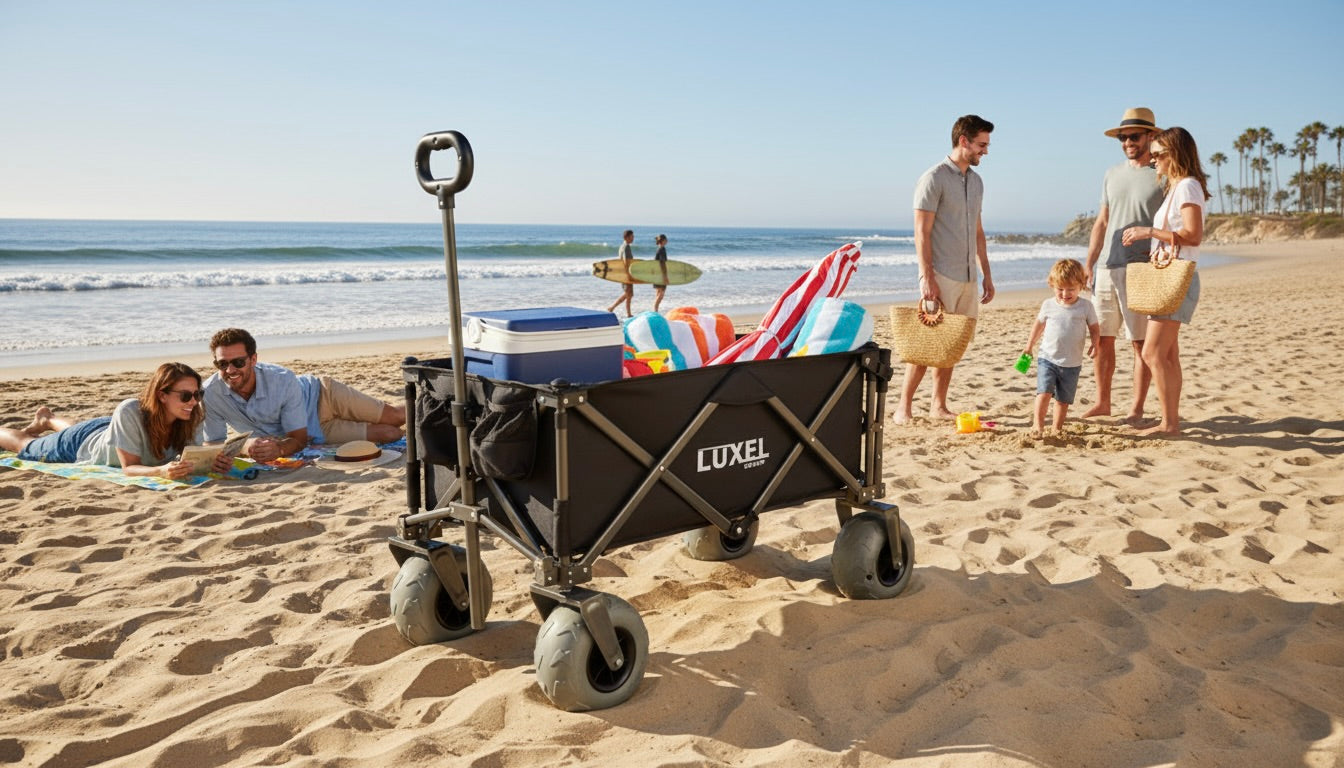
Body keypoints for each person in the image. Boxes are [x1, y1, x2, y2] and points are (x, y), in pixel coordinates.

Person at [894, 114, 996, 423]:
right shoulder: (933, 178)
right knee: (926, 345)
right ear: (963, 141)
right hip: (940, 275)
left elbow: (978, 232)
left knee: (951, 345)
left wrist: (986, 274)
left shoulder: (977, 182)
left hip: (967, 276)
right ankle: (904, 407)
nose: (985, 151)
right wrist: (926, 278)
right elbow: (921, 232)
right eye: (981, 145)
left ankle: (938, 405)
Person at [1121, 127, 1209, 437]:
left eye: (1159, 155)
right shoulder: (1178, 188)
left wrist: (1149, 232)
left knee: (1152, 354)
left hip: (1177, 279)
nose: (1153, 160)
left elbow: (1193, 235)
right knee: (1168, 355)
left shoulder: (1186, 187)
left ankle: (1169, 424)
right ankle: (1170, 421)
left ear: (1177, 156)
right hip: (1172, 277)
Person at [202, 328, 405, 461]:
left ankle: (435, 405)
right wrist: (246, 446)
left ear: (253, 359)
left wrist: (280, 450)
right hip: (316, 430)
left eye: (238, 362)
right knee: (391, 434)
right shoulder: (210, 393)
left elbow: (296, 438)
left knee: (394, 417)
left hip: (324, 396)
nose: (230, 370)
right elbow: (212, 444)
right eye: (222, 364)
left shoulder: (282, 378)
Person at [0, 362, 232, 479]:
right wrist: (160, 471)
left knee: (78, 430)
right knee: (24, 444)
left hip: (109, 432)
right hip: (81, 444)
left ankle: (48, 419)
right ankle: (37, 424)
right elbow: (129, 467)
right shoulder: (130, 410)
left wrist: (212, 463)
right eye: (185, 395)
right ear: (162, 395)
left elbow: (191, 455)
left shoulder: (192, 413)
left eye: (197, 394)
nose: (194, 401)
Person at [1083, 107, 1165, 425]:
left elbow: (1174, 220)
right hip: (1106, 266)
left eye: (1134, 136)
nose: (1127, 142)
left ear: (1151, 137)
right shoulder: (1111, 174)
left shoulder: (1163, 174)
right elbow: (1102, 222)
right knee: (1103, 339)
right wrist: (1088, 263)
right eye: (1123, 137)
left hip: (1142, 268)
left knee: (1139, 342)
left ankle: (1136, 408)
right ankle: (1103, 402)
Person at [1022, 259, 1100, 436]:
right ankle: (1038, 425)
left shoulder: (1086, 307)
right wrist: (1029, 347)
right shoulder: (1048, 305)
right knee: (1044, 393)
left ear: (1081, 285)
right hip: (1047, 359)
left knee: (1063, 400)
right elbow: (1038, 326)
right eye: (1060, 289)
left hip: (1072, 363)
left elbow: (1095, 328)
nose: (1065, 294)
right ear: (1052, 285)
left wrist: (1096, 344)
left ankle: (1057, 428)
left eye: (1071, 289)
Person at [605, 229, 636, 318]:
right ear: (626, 237)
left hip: (624, 273)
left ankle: (616, 309)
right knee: (628, 293)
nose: (633, 238)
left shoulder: (622, 246)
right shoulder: (626, 247)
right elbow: (626, 261)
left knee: (629, 294)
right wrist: (628, 274)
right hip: (626, 273)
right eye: (631, 236)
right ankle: (623, 312)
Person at [651, 234, 669, 313]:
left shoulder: (659, 249)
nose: (667, 241)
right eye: (666, 240)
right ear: (663, 241)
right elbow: (662, 263)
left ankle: (655, 310)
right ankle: (655, 310)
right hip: (660, 275)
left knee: (658, 293)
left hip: (657, 274)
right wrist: (665, 276)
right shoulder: (662, 249)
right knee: (661, 294)